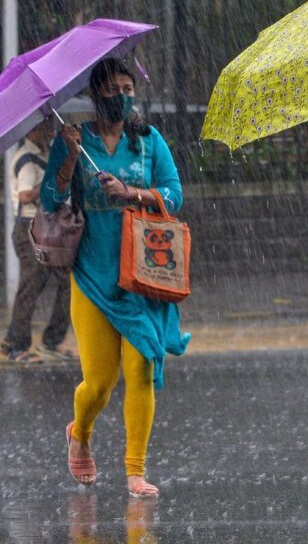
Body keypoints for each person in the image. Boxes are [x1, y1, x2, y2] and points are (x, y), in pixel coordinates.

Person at [40, 58, 189, 498]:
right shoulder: (75, 140)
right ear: (95, 94)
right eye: (112, 89)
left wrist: (134, 194)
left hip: (141, 274)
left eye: (128, 87)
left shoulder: (147, 141)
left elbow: (174, 193)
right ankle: (80, 432)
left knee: (141, 365)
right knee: (99, 384)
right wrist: (67, 159)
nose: (122, 95)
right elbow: (52, 198)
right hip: (92, 276)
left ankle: (135, 471)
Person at [2, 118, 75, 364]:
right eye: (47, 126)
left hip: (49, 228)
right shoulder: (25, 158)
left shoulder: (48, 154)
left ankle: (53, 340)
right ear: (33, 130)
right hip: (30, 228)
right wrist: (49, 184)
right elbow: (24, 195)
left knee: (68, 282)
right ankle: (15, 344)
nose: (52, 130)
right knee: (30, 286)